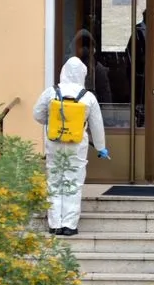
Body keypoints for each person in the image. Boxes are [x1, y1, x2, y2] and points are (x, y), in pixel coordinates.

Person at [33, 56, 109, 236]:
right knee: (73, 181)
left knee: (54, 180)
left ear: (63, 72)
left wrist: (52, 122)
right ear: (83, 74)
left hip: (55, 142)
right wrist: (100, 148)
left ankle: (55, 224)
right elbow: (97, 126)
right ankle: (69, 225)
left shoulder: (51, 92)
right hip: (77, 145)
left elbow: (37, 114)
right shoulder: (88, 97)